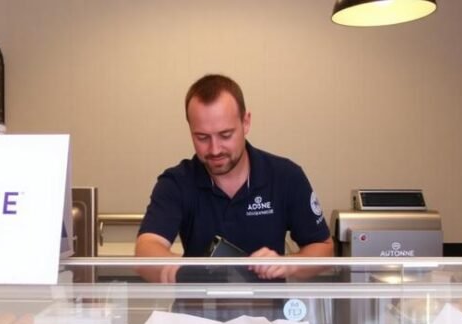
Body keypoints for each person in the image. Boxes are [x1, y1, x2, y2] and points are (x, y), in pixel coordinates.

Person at [135, 74, 333, 283]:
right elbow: (147, 248)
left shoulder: (285, 176)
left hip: (267, 313)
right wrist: (187, 273)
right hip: (197, 313)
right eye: (202, 137)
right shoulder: (176, 182)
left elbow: (324, 249)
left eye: (226, 135)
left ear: (245, 122)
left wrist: (287, 265)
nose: (214, 149)